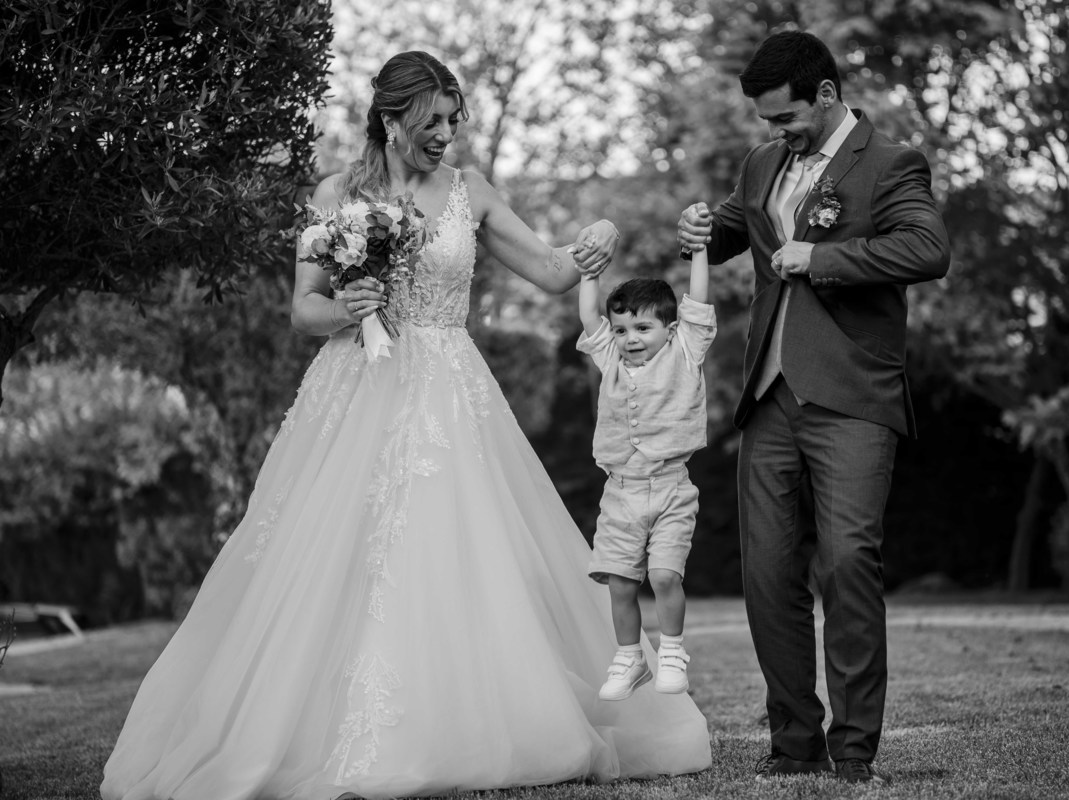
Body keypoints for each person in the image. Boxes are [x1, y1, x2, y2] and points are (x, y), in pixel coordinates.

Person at [102, 51, 711, 800]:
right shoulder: (336, 194)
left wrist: (602, 235)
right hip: (355, 390)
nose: (445, 136)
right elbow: (304, 309)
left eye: (453, 121)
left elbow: (555, 272)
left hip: (449, 396)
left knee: (449, 549)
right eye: (431, 123)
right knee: (337, 553)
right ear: (390, 121)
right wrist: (347, 309)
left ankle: (458, 722)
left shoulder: (470, 191)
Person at [678, 31, 950, 784]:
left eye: (785, 117)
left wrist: (821, 258)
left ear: (826, 95)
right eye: (766, 120)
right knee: (767, 573)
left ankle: (853, 750)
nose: (775, 132)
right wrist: (702, 231)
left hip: (853, 395)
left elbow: (927, 250)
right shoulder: (763, 162)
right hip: (768, 395)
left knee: (848, 561)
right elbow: (738, 228)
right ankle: (794, 742)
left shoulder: (890, 163)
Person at [574, 247, 716, 702]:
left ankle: (671, 651)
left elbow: (698, 302)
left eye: (642, 328)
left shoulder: (686, 352)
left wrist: (699, 250)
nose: (630, 338)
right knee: (620, 582)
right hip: (620, 493)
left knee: (664, 576)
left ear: (669, 330)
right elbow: (589, 317)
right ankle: (630, 657)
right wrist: (589, 273)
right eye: (621, 330)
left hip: (671, 489)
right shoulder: (610, 362)